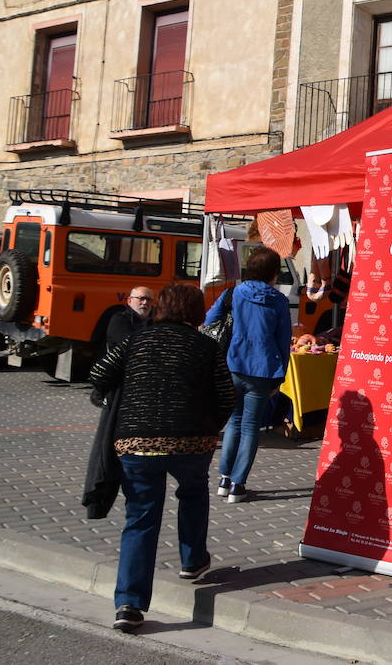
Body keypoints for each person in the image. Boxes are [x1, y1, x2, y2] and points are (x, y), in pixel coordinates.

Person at [89, 284, 235, 634]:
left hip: (136, 443)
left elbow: (98, 376)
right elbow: (226, 396)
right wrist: (208, 428)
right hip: (191, 441)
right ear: (197, 312)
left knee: (140, 518)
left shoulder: (135, 341)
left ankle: (129, 603)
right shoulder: (205, 346)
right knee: (194, 492)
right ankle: (192, 560)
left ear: (161, 308)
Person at [206, 245, 291, 504]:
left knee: (234, 421)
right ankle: (238, 484)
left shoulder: (234, 293)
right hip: (263, 369)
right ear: (274, 273)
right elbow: (283, 339)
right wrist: (281, 376)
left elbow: (210, 318)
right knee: (251, 426)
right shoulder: (279, 301)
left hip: (234, 363)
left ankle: (223, 479)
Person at [104, 286, 154, 350]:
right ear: (129, 301)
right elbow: (129, 344)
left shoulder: (157, 320)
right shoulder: (119, 319)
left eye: (149, 299)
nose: (145, 302)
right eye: (141, 298)